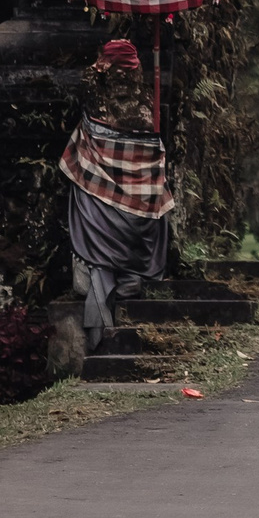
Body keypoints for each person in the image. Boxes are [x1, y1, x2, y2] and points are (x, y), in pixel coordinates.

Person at [60, 39, 174, 351]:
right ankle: (128, 276)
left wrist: (98, 66)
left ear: (106, 68)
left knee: (84, 174)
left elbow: (85, 82)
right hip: (139, 208)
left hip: (105, 205)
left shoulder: (97, 99)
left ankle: (107, 272)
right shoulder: (147, 104)